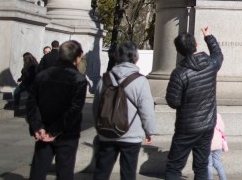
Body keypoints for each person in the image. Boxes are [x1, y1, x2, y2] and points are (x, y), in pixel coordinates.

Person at [164, 26, 224, 180]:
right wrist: (208, 36)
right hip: (207, 124)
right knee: (201, 165)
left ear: (179, 51)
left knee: (174, 167)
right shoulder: (211, 64)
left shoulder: (179, 73)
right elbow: (218, 54)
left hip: (186, 126)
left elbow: (173, 101)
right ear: (196, 44)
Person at [92, 41, 156, 180]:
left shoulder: (105, 79)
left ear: (116, 57)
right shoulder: (140, 81)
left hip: (106, 131)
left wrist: (99, 126)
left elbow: (96, 105)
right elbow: (146, 109)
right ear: (135, 58)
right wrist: (149, 131)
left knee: (102, 170)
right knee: (128, 173)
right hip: (131, 134)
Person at [26, 40, 87, 180]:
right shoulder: (78, 79)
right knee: (65, 172)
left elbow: (31, 103)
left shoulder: (42, 75)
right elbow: (74, 110)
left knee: (38, 171)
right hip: (66, 133)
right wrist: (54, 131)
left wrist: (37, 126)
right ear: (77, 57)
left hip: (43, 130)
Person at [207, 112, 228, 180]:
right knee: (217, 162)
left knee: (209, 164)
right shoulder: (218, 115)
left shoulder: (206, 114)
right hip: (218, 144)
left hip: (208, 143)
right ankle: (223, 178)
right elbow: (222, 128)